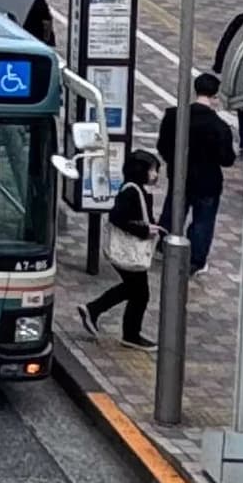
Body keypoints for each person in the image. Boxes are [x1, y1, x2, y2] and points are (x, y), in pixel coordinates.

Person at [83, 147, 167, 346]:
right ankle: (129, 334)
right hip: (128, 249)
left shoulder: (136, 190)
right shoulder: (131, 191)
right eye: (152, 170)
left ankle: (94, 310)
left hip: (128, 249)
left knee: (134, 290)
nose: (155, 175)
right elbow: (118, 217)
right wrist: (143, 231)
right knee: (140, 293)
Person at [160, 71, 239, 276]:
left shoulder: (173, 116)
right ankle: (195, 260)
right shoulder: (220, 127)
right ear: (215, 96)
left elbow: (162, 146)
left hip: (179, 175)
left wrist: (174, 162)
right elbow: (227, 159)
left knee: (173, 210)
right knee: (203, 221)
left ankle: (163, 244)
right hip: (208, 180)